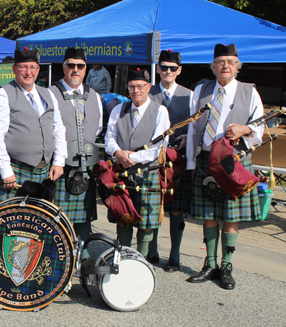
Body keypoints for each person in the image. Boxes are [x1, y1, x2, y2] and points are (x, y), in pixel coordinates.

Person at [186, 44, 264, 290]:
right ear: (214, 66)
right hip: (205, 159)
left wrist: (246, 129)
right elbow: (192, 128)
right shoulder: (201, 89)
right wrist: (190, 161)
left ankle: (226, 266)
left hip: (234, 161)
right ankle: (209, 264)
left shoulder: (249, 92)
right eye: (220, 62)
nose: (225, 66)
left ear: (237, 66)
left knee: (231, 217)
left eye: (230, 62)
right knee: (209, 216)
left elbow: (260, 129)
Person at [0, 48, 67, 207]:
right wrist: (5, 171)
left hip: (43, 171)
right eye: (23, 67)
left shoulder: (48, 94)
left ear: (38, 69)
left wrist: (59, 161)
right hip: (15, 170)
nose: (28, 72)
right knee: (8, 225)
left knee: (36, 224)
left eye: (33, 67)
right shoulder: (2, 95)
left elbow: (58, 128)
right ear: (14, 69)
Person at [104, 68, 170, 258]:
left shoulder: (160, 111)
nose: (136, 91)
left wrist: (130, 157)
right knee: (123, 217)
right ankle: (123, 257)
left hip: (147, 173)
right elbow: (109, 138)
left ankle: (141, 259)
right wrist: (117, 152)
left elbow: (158, 148)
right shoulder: (118, 109)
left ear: (149, 87)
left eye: (140, 86)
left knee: (146, 223)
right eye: (132, 87)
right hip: (121, 174)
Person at [49, 48, 102, 260]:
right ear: (63, 67)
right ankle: (59, 254)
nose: (75, 70)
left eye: (80, 66)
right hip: (60, 163)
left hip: (85, 163)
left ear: (86, 69)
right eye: (71, 65)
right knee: (59, 213)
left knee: (83, 215)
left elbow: (97, 128)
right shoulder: (50, 93)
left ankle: (82, 254)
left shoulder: (95, 96)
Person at [147, 49, 194, 272]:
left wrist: (189, 135)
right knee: (155, 205)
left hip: (179, 160)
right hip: (153, 159)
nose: (168, 71)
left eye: (172, 68)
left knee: (176, 209)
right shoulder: (147, 92)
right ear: (157, 69)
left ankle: (174, 257)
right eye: (164, 67)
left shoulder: (190, 95)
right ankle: (152, 252)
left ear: (179, 70)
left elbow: (197, 124)